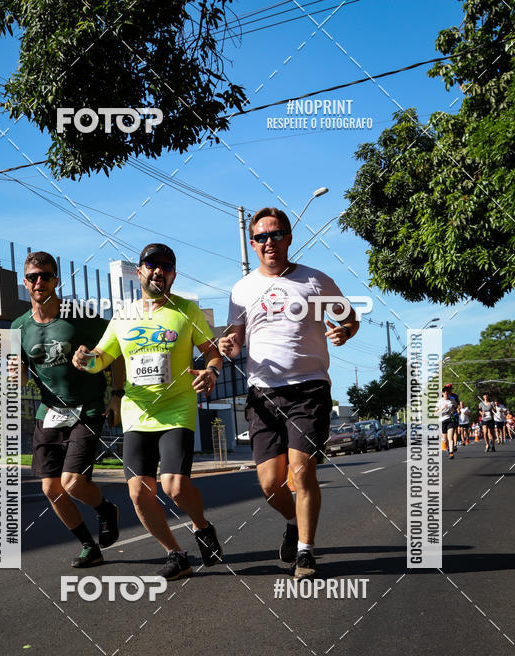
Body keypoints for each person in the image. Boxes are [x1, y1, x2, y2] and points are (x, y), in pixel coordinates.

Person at [219, 206, 358, 579]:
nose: (269, 242)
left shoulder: (316, 281)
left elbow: (349, 318)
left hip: (309, 388)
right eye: (262, 237)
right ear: (252, 242)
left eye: (276, 234)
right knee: (269, 483)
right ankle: (293, 522)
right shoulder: (242, 289)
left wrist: (345, 332)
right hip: (262, 393)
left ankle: (306, 552)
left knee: (302, 471)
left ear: (289, 238)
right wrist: (228, 346)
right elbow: (235, 336)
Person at [72, 243, 223, 581]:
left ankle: (202, 526)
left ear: (173, 274)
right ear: (139, 271)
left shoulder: (186, 311)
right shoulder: (123, 315)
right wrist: (85, 359)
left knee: (174, 486)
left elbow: (212, 353)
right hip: (137, 414)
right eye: (151, 265)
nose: (159, 271)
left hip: (177, 408)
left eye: (166, 266)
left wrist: (211, 371)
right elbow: (102, 357)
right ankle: (176, 554)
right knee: (139, 491)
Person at [11, 251, 121, 567]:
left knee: (72, 482)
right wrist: (13, 375)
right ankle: (89, 545)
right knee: (51, 487)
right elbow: (18, 377)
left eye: (45, 275)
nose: (39, 282)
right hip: (49, 412)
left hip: (87, 408)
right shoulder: (18, 327)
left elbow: (116, 352)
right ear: (25, 281)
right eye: (33, 277)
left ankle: (104, 509)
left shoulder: (81, 316)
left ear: (56, 280)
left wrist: (116, 394)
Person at [438, 387, 456, 458]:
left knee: (450, 438)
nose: (446, 393)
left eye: (447, 392)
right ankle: (449, 448)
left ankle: (451, 453)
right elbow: (435, 413)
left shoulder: (452, 400)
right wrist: (442, 408)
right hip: (442, 421)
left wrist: (454, 410)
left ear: (449, 393)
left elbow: (456, 406)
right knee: (445, 440)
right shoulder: (439, 402)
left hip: (450, 420)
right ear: (442, 393)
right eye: (444, 392)